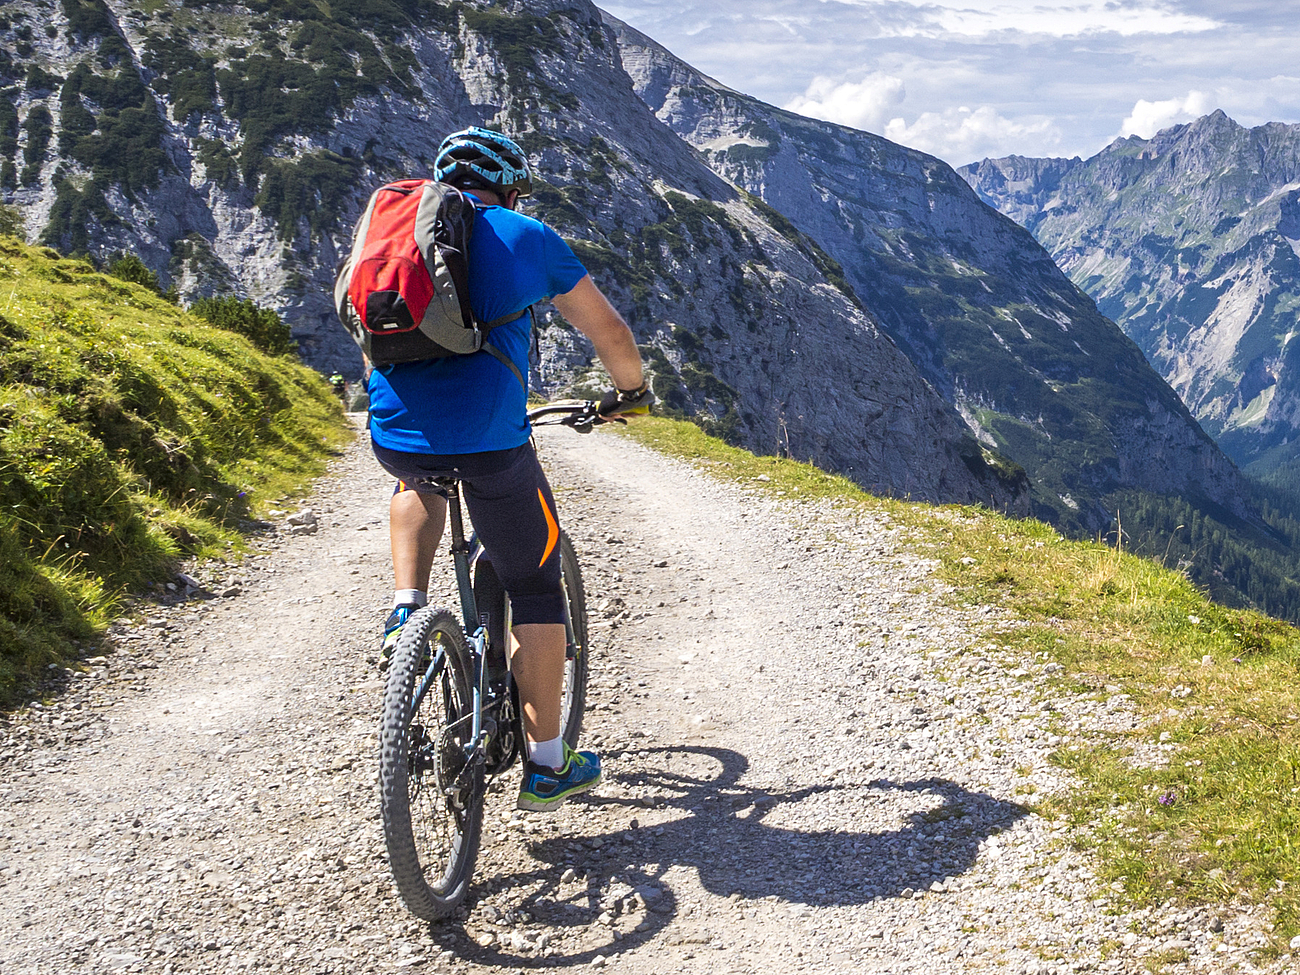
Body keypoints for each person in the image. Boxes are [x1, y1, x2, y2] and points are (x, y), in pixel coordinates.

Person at [366, 127, 653, 812]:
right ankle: (548, 766)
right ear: (508, 186)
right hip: (492, 443)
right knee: (533, 580)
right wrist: (631, 394)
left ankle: (404, 609)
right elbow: (608, 332)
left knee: (418, 480)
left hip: (396, 433)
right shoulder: (526, 236)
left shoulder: (397, 230)